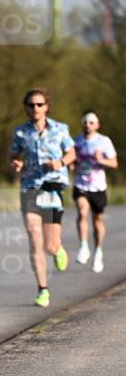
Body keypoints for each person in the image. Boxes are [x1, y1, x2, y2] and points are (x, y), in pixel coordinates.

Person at [9, 88, 76, 308]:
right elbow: (12, 155)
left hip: (52, 188)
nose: (35, 108)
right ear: (26, 108)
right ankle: (42, 289)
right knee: (33, 236)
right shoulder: (20, 133)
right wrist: (15, 163)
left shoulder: (60, 129)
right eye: (31, 105)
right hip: (29, 187)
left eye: (39, 104)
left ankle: (57, 249)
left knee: (48, 245)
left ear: (46, 106)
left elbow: (71, 153)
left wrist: (60, 163)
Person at [72, 111, 118, 273]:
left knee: (97, 220)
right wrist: (71, 165)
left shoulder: (104, 141)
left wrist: (101, 160)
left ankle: (98, 252)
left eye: (91, 122)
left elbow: (114, 162)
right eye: (85, 122)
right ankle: (83, 246)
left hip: (98, 186)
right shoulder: (75, 141)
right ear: (82, 124)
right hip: (81, 184)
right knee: (82, 211)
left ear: (97, 125)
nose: (88, 125)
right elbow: (70, 161)